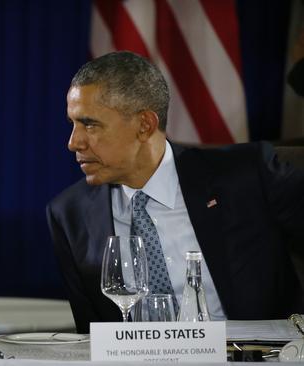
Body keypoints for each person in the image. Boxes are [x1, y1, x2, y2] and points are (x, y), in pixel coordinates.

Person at [46, 51, 304, 334]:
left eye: (90, 124)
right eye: (73, 124)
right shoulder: (69, 213)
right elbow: (92, 337)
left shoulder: (248, 176)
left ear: (145, 125)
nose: (73, 143)